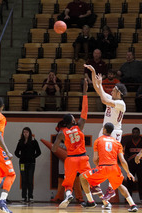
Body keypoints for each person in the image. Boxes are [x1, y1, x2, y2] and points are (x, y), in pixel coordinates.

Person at [84, 64, 127, 200]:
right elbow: (99, 91)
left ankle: (110, 188)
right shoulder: (111, 99)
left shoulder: (121, 103)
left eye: (114, 89)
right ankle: (96, 183)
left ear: (118, 92)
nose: (111, 91)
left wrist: (99, 84)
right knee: (97, 158)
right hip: (104, 130)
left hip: (114, 132)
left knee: (111, 161)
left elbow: (102, 98)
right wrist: (94, 73)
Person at [79, 122, 138, 212]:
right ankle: (133, 205)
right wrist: (128, 172)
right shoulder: (117, 143)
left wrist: (98, 170)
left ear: (104, 129)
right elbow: (122, 161)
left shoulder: (98, 140)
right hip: (114, 168)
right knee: (119, 185)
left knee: (82, 177)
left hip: (103, 168)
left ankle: (90, 201)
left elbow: (95, 159)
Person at [51, 78, 91, 209]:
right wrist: (84, 92)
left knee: (68, 183)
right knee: (88, 179)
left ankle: (68, 195)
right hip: (83, 157)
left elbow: (54, 148)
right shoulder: (79, 126)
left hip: (71, 159)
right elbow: (84, 111)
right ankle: (97, 199)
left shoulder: (62, 133)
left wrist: (65, 147)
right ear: (73, 120)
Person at [14, 127, 41, 202]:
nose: (25, 134)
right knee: (24, 180)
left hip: (31, 163)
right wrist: (21, 157)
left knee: (30, 179)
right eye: (24, 132)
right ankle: (24, 197)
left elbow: (39, 152)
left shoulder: (34, 142)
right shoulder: (20, 142)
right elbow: (16, 152)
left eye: (27, 132)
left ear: (30, 133)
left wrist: (33, 157)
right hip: (22, 164)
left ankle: (30, 197)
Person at [122, 127, 142, 201]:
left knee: (141, 182)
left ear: (139, 133)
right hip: (131, 165)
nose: (135, 134)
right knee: (129, 182)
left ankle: (141, 199)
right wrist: (128, 161)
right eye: (134, 132)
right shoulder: (129, 143)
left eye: (136, 132)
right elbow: (126, 154)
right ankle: (128, 199)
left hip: (141, 165)